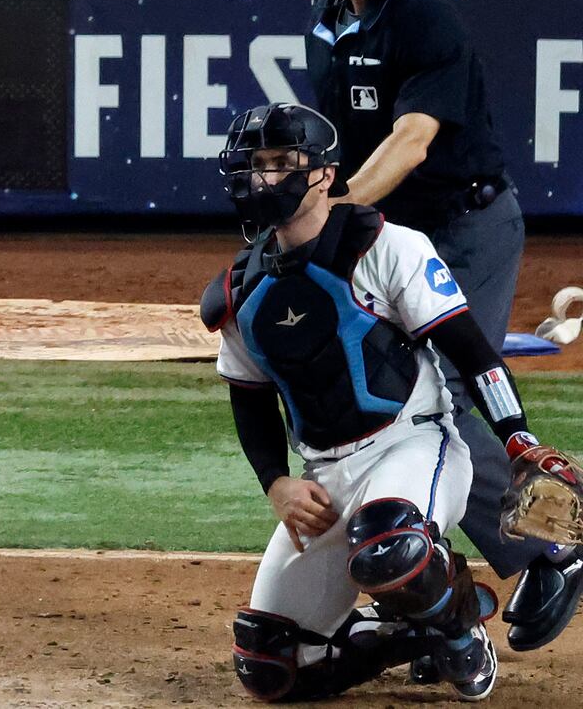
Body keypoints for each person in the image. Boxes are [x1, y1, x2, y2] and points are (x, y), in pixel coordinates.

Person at [289, 0, 583, 652]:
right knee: (377, 397)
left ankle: (552, 550)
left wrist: (338, 208)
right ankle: (427, 587)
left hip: (463, 226)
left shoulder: (423, 20)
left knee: (452, 394)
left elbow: (410, 141)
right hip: (387, 235)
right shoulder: (329, 15)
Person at [203, 102, 575, 701]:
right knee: (271, 666)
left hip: (417, 442)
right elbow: (249, 401)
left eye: (279, 164)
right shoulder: (238, 291)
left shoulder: (387, 247)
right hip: (325, 475)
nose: (262, 178)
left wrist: (517, 437)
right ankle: (408, 633)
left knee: (389, 544)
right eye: (254, 165)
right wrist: (276, 483)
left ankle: (456, 627)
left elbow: (473, 352)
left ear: (323, 174)